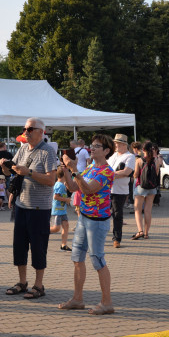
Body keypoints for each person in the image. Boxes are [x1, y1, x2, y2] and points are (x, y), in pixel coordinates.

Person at [57, 133, 116, 315]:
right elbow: (74, 188)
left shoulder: (107, 171)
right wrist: (66, 170)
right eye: (92, 145)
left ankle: (107, 303)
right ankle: (77, 299)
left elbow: (89, 190)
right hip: (84, 217)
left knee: (97, 259)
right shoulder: (91, 167)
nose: (92, 147)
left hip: (97, 221)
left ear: (106, 151)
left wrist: (74, 170)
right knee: (77, 258)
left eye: (97, 146)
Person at [1, 117, 58, 300]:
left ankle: (39, 285)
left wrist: (30, 173)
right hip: (22, 204)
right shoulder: (23, 148)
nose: (26, 131)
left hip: (39, 207)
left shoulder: (48, 152)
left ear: (41, 132)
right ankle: (22, 282)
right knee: (19, 245)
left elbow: (51, 181)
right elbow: (13, 172)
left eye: (30, 128)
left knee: (38, 246)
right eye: (25, 128)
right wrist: (5, 167)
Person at [131, 142, 163, 240]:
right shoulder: (156, 160)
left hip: (141, 187)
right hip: (152, 188)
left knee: (138, 210)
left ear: (143, 150)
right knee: (148, 210)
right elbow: (157, 174)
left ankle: (140, 231)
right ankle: (146, 233)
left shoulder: (139, 160)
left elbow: (136, 175)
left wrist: (134, 176)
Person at [108, 134, 135, 249]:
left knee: (117, 215)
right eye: (115, 143)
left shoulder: (130, 156)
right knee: (103, 213)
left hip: (120, 191)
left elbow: (126, 172)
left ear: (124, 144)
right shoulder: (113, 155)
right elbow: (106, 167)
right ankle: (101, 236)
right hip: (108, 188)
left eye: (117, 143)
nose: (115, 145)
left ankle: (117, 239)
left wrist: (109, 175)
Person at [50, 164, 72, 251]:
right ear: (64, 175)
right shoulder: (59, 185)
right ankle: (41, 231)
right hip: (57, 211)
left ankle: (64, 245)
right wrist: (66, 199)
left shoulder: (62, 184)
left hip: (62, 210)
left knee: (66, 226)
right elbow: (56, 197)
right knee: (56, 228)